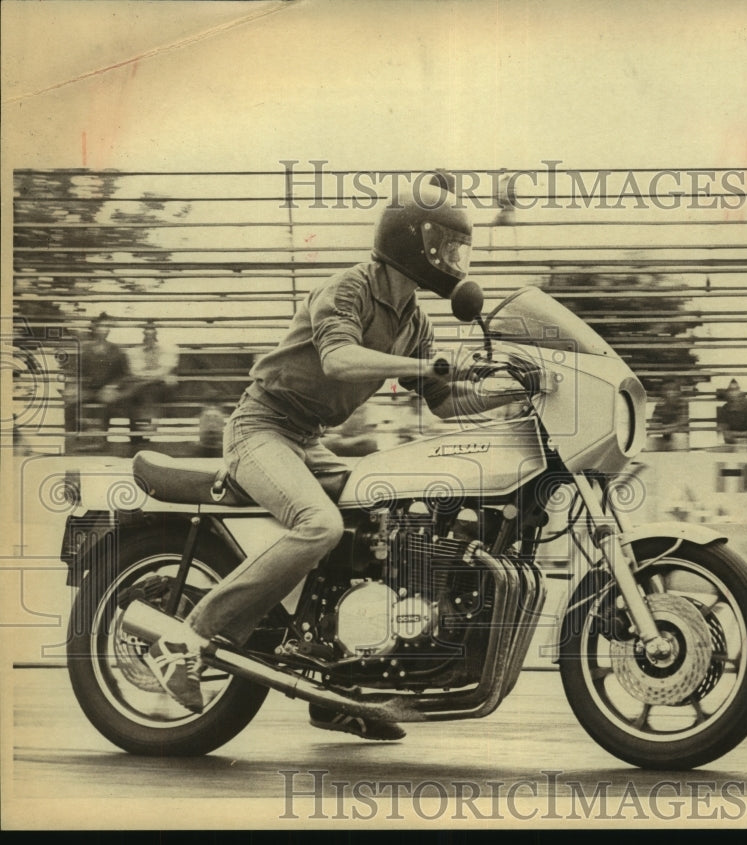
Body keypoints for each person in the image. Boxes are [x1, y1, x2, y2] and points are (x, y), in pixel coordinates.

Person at [143, 183, 529, 740]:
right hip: (262, 428)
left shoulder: (412, 320)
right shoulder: (347, 288)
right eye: (444, 245)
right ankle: (188, 637)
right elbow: (340, 358)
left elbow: (444, 404)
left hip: (309, 437)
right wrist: (425, 368)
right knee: (319, 524)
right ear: (412, 243)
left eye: (457, 249)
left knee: (380, 518)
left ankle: (336, 689)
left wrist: (513, 395)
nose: (452, 260)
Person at [64, 313, 131, 449]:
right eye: (100, 326)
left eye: (106, 327)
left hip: (107, 390)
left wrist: (113, 386)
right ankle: (72, 439)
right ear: (94, 329)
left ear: (109, 330)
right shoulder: (86, 349)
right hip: (89, 389)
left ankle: (101, 440)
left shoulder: (116, 350)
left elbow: (125, 374)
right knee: (71, 403)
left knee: (107, 402)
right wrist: (74, 386)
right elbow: (77, 371)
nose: (103, 330)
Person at [117, 320, 180, 443]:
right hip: (143, 387)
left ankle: (139, 434)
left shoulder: (168, 349)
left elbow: (165, 371)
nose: (149, 337)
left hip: (162, 387)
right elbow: (134, 371)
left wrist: (147, 376)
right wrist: (150, 376)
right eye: (147, 334)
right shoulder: (135, 351)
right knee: (139, 395)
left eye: (152, 334)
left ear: (156, 335)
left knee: (142, 391)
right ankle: (141, 432)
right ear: (143, 335)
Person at [715, 378, 747, 448]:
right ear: (727, 393)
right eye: (731, 390)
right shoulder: (724, 410)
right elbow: (725, 434)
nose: (734, 393)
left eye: (736, 389)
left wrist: (739, 436)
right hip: (732, 440)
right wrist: (737, 437)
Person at [648, 380, 689, 451]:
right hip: (663, 435)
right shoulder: (660, 404)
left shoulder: (682, 403)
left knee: (679, 437)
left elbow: (681, 423)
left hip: (678, 434)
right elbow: (653, 423)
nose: (671, 393)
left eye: (674, 390)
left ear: (678, 392)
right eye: (668, 390)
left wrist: (664, 428)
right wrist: (660, 429)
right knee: (650, 439)